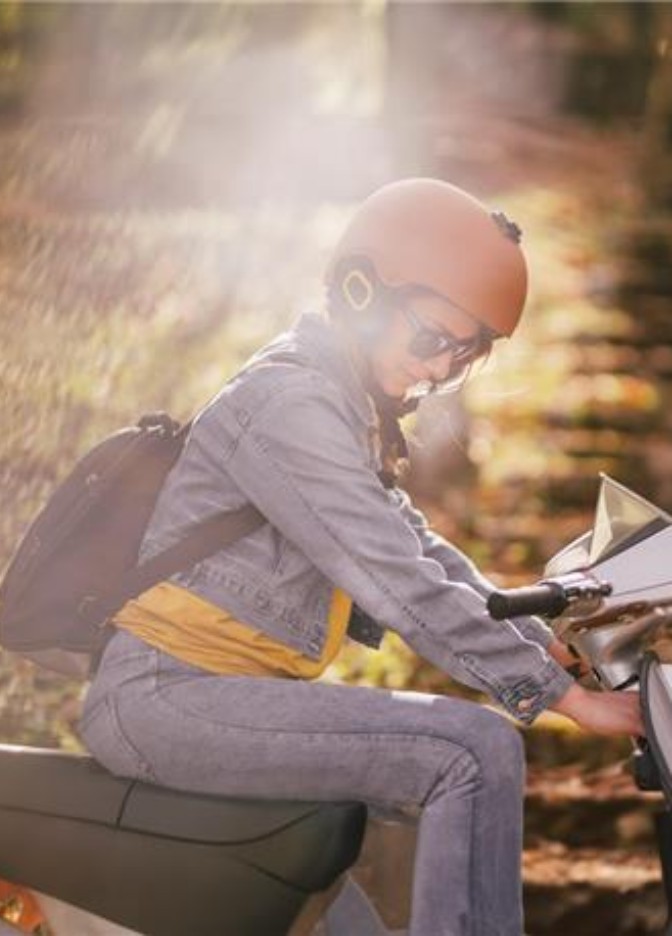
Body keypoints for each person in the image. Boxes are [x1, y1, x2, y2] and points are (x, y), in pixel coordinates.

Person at [78, 178, 644, 936]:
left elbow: (422, 550)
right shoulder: (290, 408)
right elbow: (396, 578)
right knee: (470, 752)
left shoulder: (341, 409)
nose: (440, 369)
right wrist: (562, 700)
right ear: (360, 289)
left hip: (225, 699)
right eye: (431, 338)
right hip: (165, 696)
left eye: (464, 355)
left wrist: (543, 643)